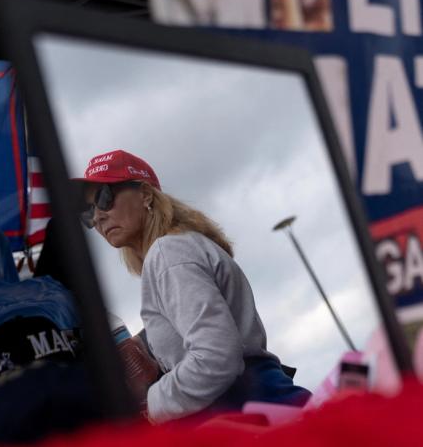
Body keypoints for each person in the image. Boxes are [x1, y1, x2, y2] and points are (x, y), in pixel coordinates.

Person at [75, 149, 310, 422]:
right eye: (88, 210)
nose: (97, 217)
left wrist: (152, 405)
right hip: (264, 407)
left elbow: (217, 357)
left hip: (252, 415)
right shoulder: (179, 248)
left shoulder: (168, 253)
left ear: (146, 195)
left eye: (105, 197)